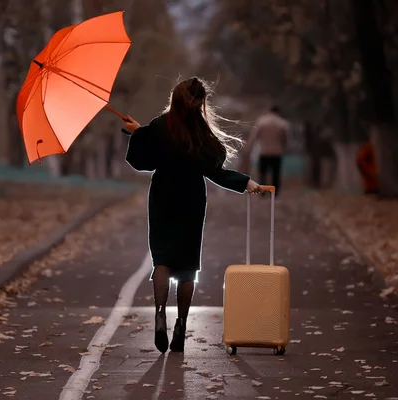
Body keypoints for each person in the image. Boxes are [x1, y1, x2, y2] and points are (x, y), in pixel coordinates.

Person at [121, 77, 262, 353]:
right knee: (186, 267)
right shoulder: (200, 133)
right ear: (199, 103)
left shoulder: (160, 126)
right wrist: (245, 182)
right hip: (191, 199)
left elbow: (142, 162)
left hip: (162, 197)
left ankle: (160, 314)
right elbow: (215, 171)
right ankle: (181, 324)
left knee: (162, 260)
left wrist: (140, 133)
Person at [245, 105, 290, 195]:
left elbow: (254, 137)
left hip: (264, 151)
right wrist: (284, 148)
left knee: (262, 172)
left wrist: (248, 147)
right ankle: (275, 193)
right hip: (277, 152)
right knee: (276, 174)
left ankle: (262, 191)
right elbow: (285, 139)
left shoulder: (262, 122)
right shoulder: (282, 123)